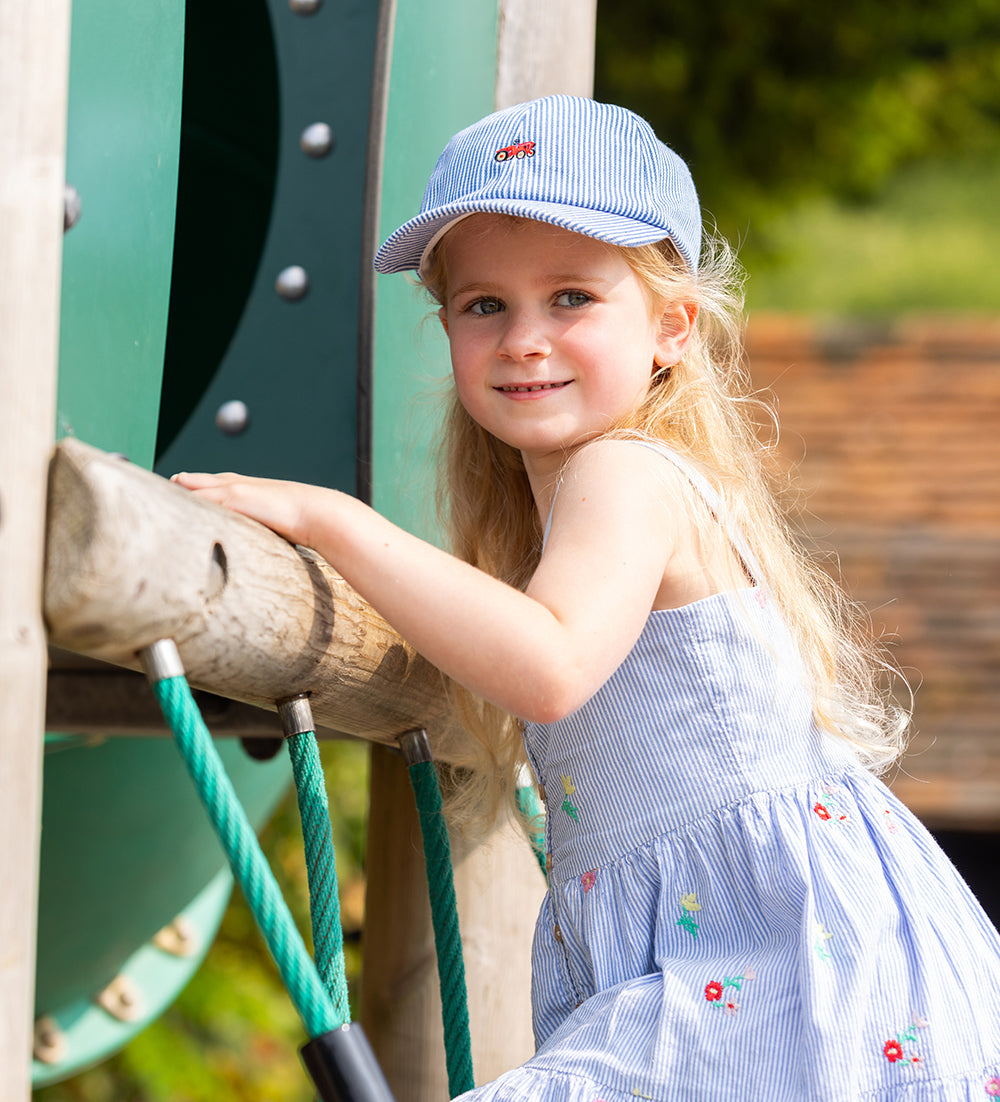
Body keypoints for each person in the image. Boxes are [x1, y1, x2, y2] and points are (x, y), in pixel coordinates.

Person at [174, 96, 1000, 1099]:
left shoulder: (626, 476)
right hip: (773, 960)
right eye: (486, 306)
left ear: (670, 328)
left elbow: (551, 663)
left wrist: (337, 523)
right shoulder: (594, 499)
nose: (524, 338)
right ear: (447, 328)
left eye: (570, 297)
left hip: (773, 969)